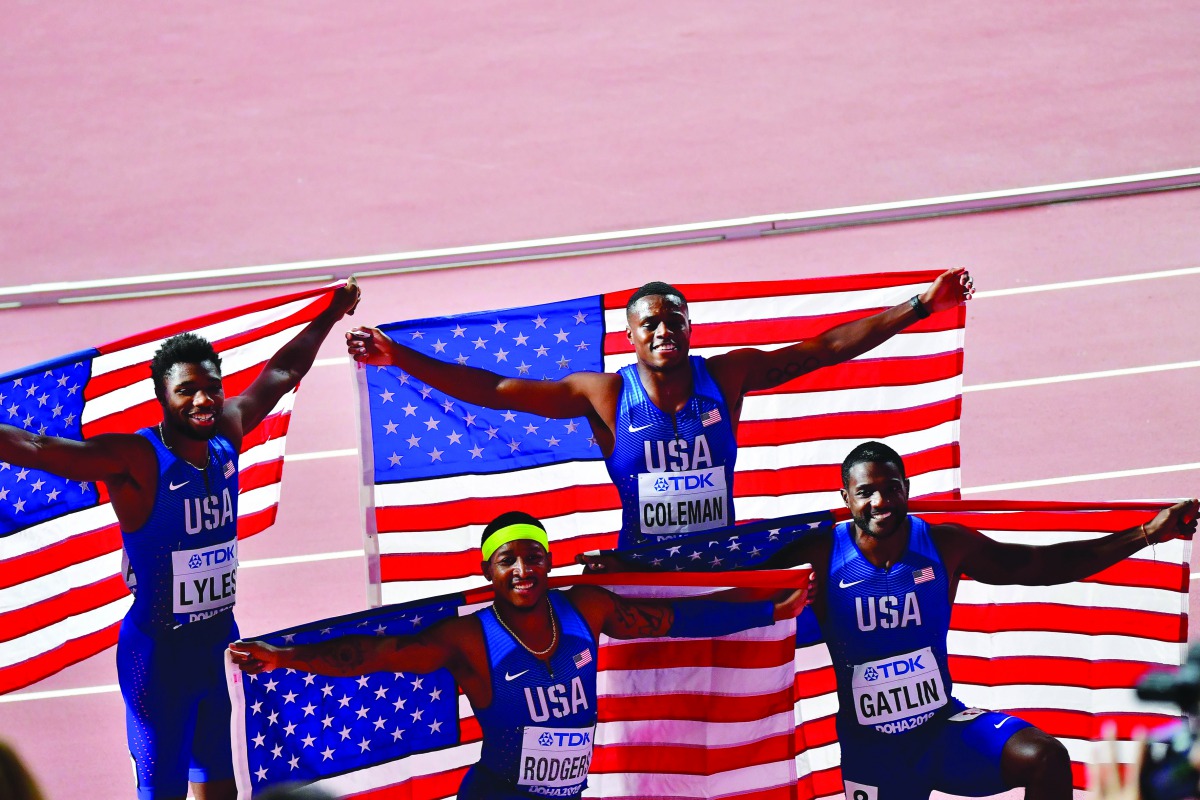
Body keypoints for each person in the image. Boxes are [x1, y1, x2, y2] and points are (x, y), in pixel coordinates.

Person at [0, 280, 360, 800]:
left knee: (222, 790)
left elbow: (281, 374)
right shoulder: (137, 460)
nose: (202, 399)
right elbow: (39, 447)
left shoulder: (227, 435)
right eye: (186, 390)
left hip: (218, 643)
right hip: (158, 657)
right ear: (163, 398)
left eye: (210, 386)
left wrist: (329, 315)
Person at [346, 269, 974, 549]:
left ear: (690, 329)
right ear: (631, 337)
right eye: (650, 323)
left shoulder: (727, 375)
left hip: (723, 558)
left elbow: (826, 348)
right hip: (644, 565)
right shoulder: (606, 395)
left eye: (674, 319)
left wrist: (919, 306)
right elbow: (497, 390)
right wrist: (399, 358)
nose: (663, 329)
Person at [229, 510, 811, 800]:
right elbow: (372, 656)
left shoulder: (588, 608)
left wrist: (766, 611)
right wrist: (287, 657)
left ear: (548, 562)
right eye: (508, 560)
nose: (523, 570)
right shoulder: (469, 638)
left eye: (532, 557)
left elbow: (675, 620)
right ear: (488, 571)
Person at [760, 440, 1198, 800]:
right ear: (845, 499)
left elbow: (1040, 566)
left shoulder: (945, 545)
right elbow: (737, 601)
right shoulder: (819, 555)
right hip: (874, 750)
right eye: (866, 492)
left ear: (907, 488)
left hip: (942, 730)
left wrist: (1147, 534)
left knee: (1046, 756)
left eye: (891, 488)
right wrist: (778, 605)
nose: (881, 502)